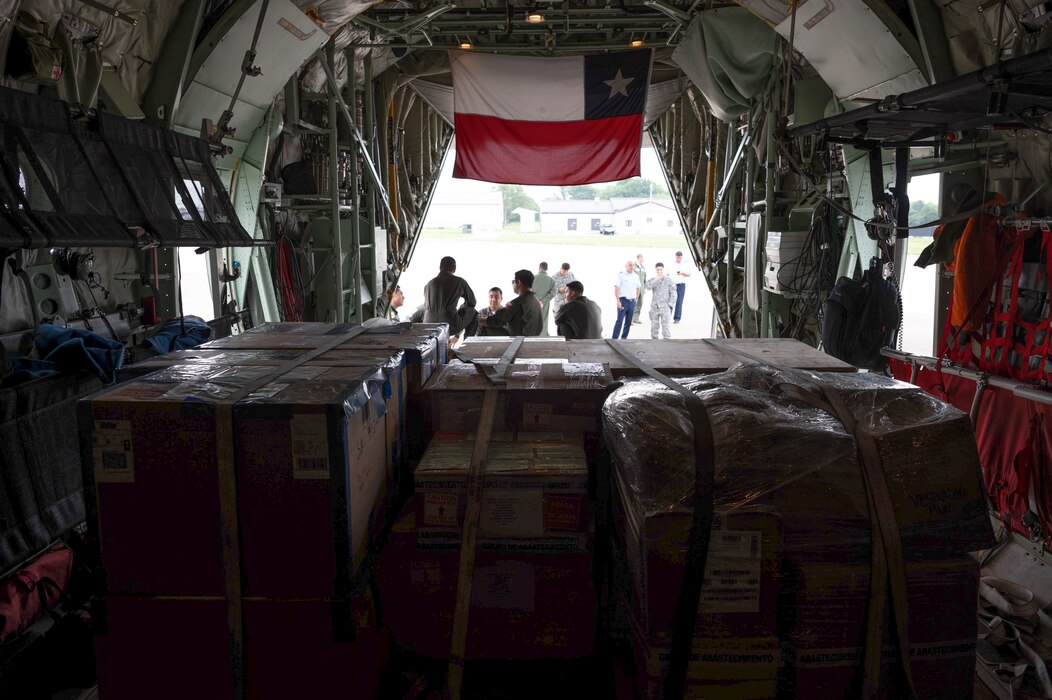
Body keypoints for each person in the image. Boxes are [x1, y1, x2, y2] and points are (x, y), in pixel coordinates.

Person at [422, 256, 478, 340]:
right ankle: (467, 345)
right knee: (473, 312)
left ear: (440, 268)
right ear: (454, 269)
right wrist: (462, 307)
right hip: (449, 325)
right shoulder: (459, 281)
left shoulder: (428, 284)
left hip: (428, 325)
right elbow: (472, 302)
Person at [486, 269, 543, 336]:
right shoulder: (536, 301)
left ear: (518, 283)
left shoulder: (517, 303)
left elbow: (498, 319)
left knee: (485, 326)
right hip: (532, 341)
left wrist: (479, 320)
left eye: (513, 282)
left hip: (517, 343)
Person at [646, 263, 677, 339]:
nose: (659, 271)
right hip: (654, 307)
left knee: (666, 328)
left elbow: (674, 293)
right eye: (657, 269)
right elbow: (648, 287)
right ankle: (654, 343)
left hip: (665, 307)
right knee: (654, 327)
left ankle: (666, 343)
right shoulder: (653, 279)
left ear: (663, 270)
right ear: (655, 270)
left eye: (661, 269)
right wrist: (657, 279)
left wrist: (670, 305)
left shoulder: (669, 280)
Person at [612, 260, 640, 339]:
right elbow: (616, 288)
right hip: (623, 301)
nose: (632, 267)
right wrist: (618, 301)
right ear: (626, 266)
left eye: (633, 265)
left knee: (628, 322)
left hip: (632, 301)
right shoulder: (621, 275)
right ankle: (614, 339)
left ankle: (624, 339)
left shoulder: (636, 276)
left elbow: (638, 288)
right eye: (630, 265)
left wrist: (636, 298)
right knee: (619, 321)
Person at [533, 262, 557, 337]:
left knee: (532, 320)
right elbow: (553, 292)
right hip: (544, 304)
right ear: (546, 269)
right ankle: (542, 336)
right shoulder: (551, 280)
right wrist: (543, 302)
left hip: (532, 303)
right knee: (543, 320)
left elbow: (528, 290)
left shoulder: (532, 278)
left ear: (539, 268)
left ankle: (532, 336)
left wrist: (535, 300)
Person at [671, 250, 691, 324]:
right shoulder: (671, 264)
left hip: (681, 285)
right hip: (673, 285)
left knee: (679, 302)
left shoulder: (685, 264)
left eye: (679, 258)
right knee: (670, 301)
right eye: (677, 258)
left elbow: (689, 274)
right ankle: (667, 316)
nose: (678, 259)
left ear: (681, 257)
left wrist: (682, 273)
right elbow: (667, 274)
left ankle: (677, 318)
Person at [632, 254, 647, 325]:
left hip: (642, 288)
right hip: (635, 288)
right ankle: (630, 317)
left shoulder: (643, 267)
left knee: (640, 303)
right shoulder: (633, 266)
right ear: (639, 258)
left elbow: (644, 278)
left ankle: (636, 318)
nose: (643, 259)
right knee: (633, 303)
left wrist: (645, 287)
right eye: (643, 258)